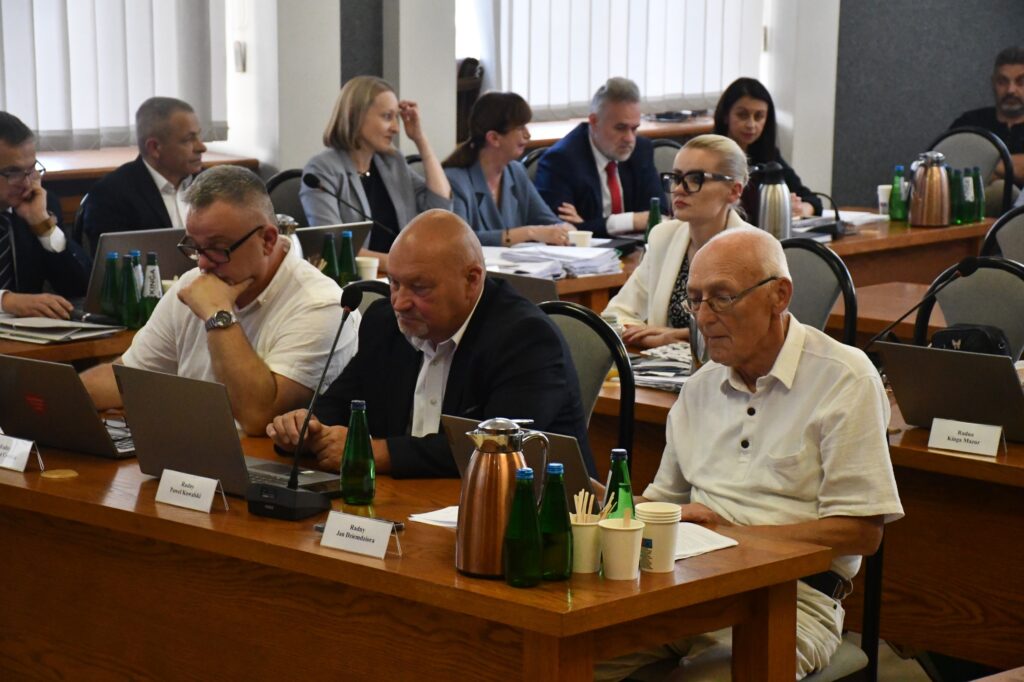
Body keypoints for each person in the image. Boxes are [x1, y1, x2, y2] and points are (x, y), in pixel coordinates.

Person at [596, 227, 903, 681]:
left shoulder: (843, 378)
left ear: (779, 296)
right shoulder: (700, 387)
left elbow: (860, 532)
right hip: (686, 584)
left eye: (722, 298)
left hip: (794, 599)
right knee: (549, 660)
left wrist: (731, 535)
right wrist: (604, 505)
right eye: (695, 300)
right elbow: (664, 502)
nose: (703, 318)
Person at [267, 209, 595, 479]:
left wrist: (378, 453)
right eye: (394, 283)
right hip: (407, 503)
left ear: (472, 280)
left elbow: (498, 448)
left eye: (419, 287)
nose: (399, 302)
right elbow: (339, 406)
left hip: (532, 516)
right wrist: (304, 428)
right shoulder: (384, 323)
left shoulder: (525, 339)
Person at [80, 165, 359, 436]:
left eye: (217, 248)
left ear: (267, 240)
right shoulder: (194, 284)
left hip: (264, 461)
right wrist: (61, 400)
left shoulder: (321, 306)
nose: (202, 263)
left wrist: (217, 313)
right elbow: (128, 379)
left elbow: (257, 417)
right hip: (194, 451)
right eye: (195, 247)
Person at [603, 134, 752, 350]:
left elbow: (746, 331)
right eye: (676, 177)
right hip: (661, 364)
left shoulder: (753, 250)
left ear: (734, 191)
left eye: (695, 179)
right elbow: (615, 315)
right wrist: (656, 339)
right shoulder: (663, 236)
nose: (679, 189)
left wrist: (679, 335)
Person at [300, 76, 452, 270]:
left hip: (401, 276)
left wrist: (420, 138)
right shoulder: (322, 170)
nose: (396, 128)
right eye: (387, 117)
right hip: (358, 281)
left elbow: (440, 209)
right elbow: (334, 247)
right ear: (356, 116)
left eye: (397, 117)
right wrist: (405, 265)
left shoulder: (392, 162)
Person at [533, 77, 662, 237]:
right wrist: (631, 220)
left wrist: (588, 225)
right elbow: (560, 229)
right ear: (594, 122)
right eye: (620, 128)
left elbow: (659, 215)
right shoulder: (561, 160)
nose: (629, 138)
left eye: (634, 128)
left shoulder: (641, 150)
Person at [81, 97, 207, 255]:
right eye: (188, 140)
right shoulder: (111, 195)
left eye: (199, 137)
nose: (201, 147)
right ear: (154, 148)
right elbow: (115, 262)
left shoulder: (211, 184)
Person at [443, 91, 572, 246]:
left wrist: (564, 228)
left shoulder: (516, 172)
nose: (528, 135)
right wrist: (528, 233)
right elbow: (459, 239)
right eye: (520, 128)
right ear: (494, 138)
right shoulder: (455, 179)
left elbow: (547, 220)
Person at [0, 111, 91, 319]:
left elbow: (81, 287)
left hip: (24, 334)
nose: (26, 183)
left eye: (31, 170)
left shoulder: (39, 204)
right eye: (13, 173)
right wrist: (6, 301)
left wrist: (43, 226)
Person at [713, 77, 822, 221]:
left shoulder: (768, 155)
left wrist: (800, 209)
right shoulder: (708, 155)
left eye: (759, 116)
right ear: (725, 116)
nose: (751, 124)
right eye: (742, 115)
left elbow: (811, 199)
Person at [950, 46, 1024, 214]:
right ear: (993, 83)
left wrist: (987, 167)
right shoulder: (970, 123)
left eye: (1021, 82)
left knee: (1002, 190)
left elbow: (968, 166)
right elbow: (950, 167)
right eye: (1002, 81)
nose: (1011, 90)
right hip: (969, 215)